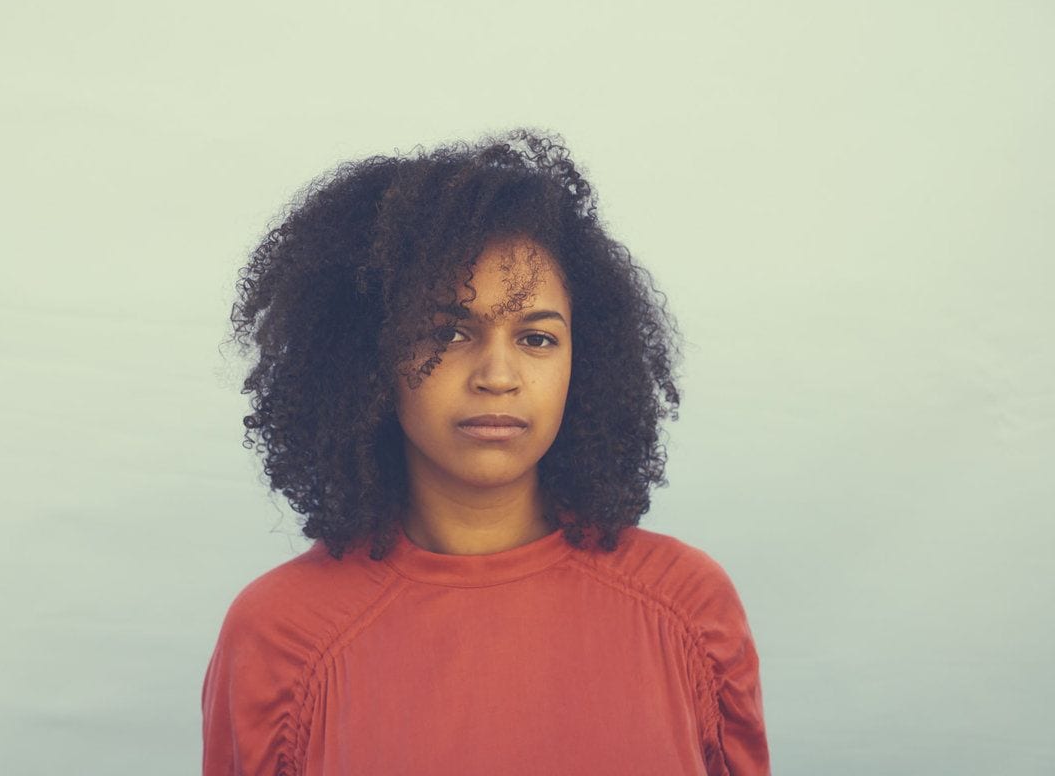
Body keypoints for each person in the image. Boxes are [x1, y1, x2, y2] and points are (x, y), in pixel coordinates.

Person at [202, 129, 771, 775]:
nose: (498, 375)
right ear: (368, 353)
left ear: (584, 362)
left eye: (535, 338)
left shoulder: (687, 605)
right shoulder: (281, 633)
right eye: (448, 332)